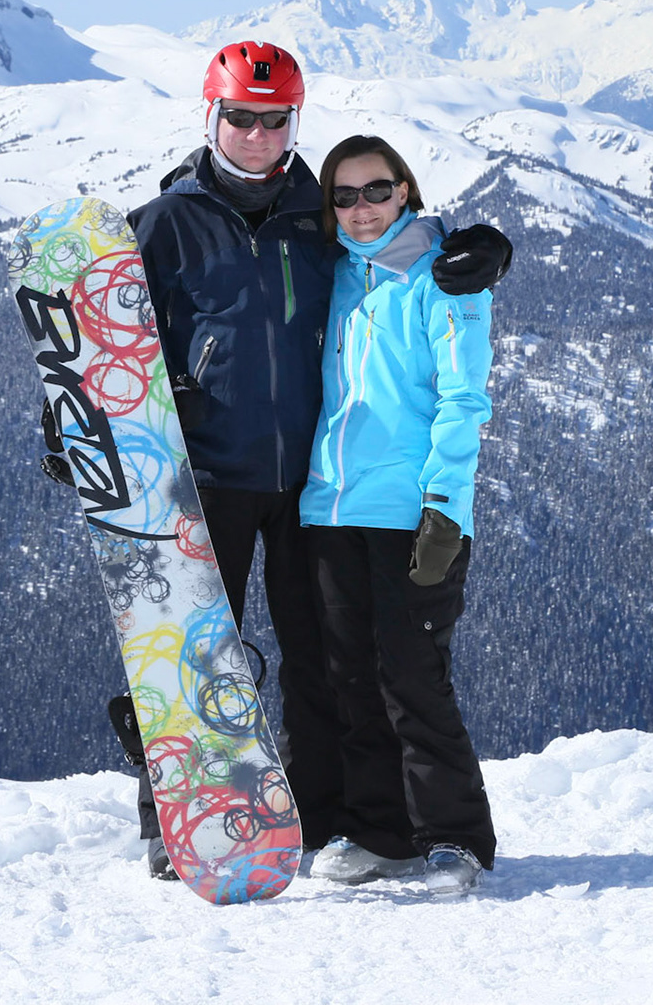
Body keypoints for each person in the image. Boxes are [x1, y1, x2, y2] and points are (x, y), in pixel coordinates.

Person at [112, 42, 512, 880]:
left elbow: (404, 251)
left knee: (319, 665)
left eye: (276, 119)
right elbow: (110, 343)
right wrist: (82, 428)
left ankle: (330, 819)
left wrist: (486, 249)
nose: (258, 135)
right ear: (211, 116)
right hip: (207, 475)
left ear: (296, 121)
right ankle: (173, 819)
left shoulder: (318, 210)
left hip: (306, 483)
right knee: (187, 650)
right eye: (242, 118)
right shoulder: (166, 223)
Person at [298, 133, 499, 897]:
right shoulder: (340, 274)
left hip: (413, 512)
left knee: (414, 677)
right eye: (343, 197)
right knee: (351, 678)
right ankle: (382, 833)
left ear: (406, 189)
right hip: (331, 506)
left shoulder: (445, 275)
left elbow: (463, 397)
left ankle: (454, 836)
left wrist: (445, 505)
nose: (360, 209)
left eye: (375, 191)